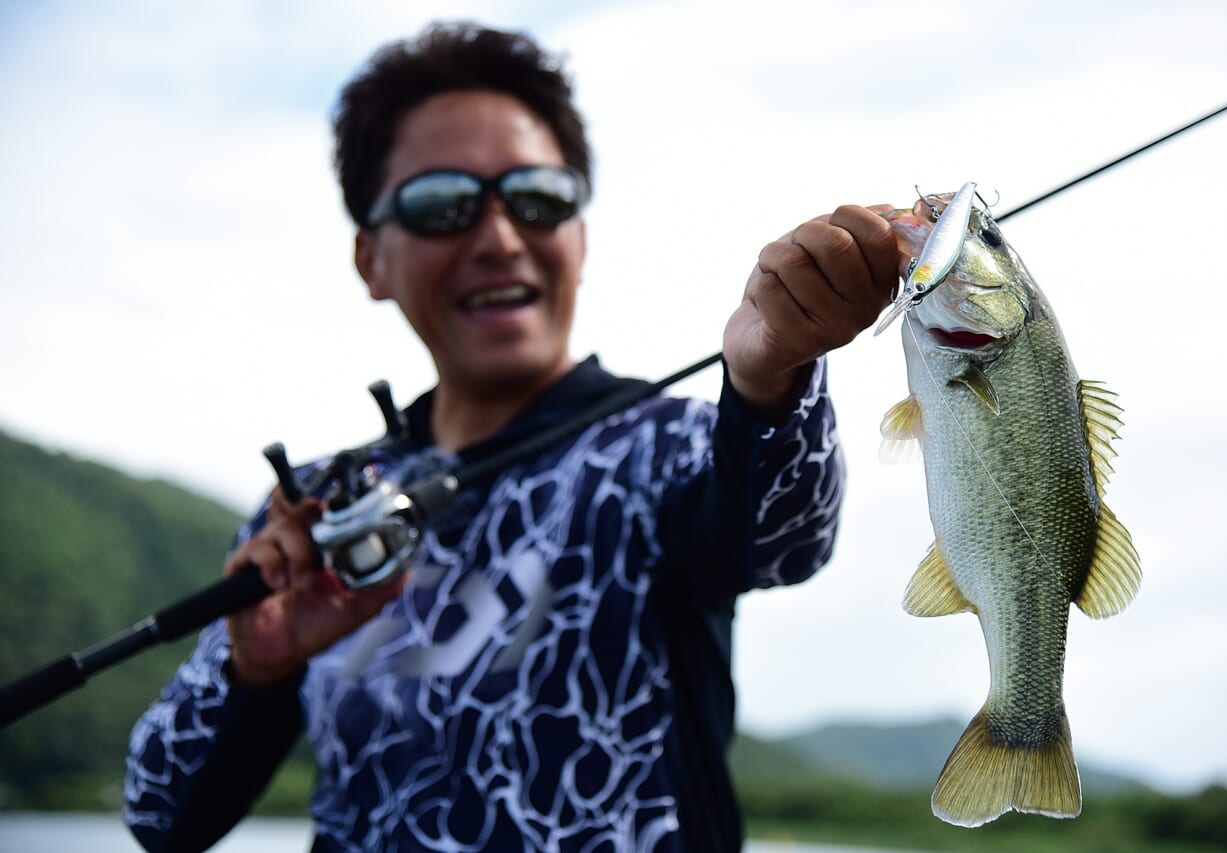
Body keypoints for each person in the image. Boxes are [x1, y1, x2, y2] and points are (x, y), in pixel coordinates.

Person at [123, 21, 898, 853]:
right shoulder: (312, 511)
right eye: (440, 205)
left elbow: (787, 543)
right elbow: (162, 817)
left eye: (538, 197)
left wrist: (772, 378)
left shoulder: (666, 444)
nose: (498, 237)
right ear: (370, 260)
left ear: (580, 235)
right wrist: (257, 668)